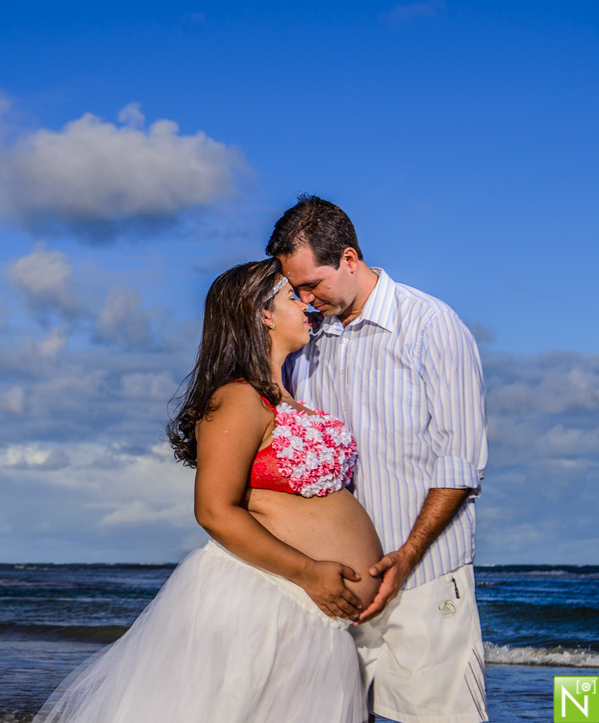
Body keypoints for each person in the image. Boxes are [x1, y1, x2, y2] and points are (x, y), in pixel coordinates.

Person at [34, 259, 382, 723]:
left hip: (310, 615)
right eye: (293, 297)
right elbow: (214, 511)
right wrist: (309, 572)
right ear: (262, 313)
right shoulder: (237, 397)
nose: (309, 306)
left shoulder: (290, 398)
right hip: (270, 602)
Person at [267, 195, 488, 723]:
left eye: (311, 284)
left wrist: (408, 554)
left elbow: (460, 462)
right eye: (295, 289)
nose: (304, 299)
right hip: (334, 593)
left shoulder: (431, 325)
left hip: (424, 580)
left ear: (349, 258)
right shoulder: (308, 342)